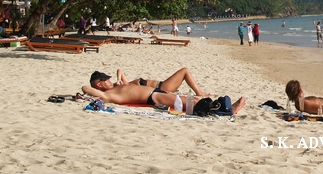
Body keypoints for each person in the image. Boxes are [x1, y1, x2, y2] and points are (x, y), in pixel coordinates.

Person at [83, 68, 246, 113]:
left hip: (155, 93)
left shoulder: (116, 87)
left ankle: (227, 108)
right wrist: (89, 88)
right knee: (190, 104)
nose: (109, 80)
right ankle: (229, 110)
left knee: (194, 100)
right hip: (152, 98)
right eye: (105, 80)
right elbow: (85, 88)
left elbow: (119, 71)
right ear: (99, 84)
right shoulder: (107, 94)